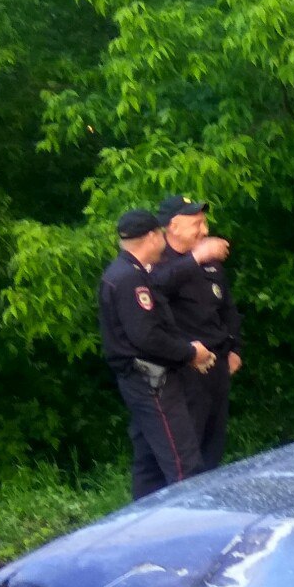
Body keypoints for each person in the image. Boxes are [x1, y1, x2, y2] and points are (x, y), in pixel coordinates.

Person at [99, 209, 213, 499]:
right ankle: (194, 532)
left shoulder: (123, 273)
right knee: (184, 464)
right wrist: (190, 353)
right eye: (160, 234)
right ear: (151, 236)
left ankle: (145, 527)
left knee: (149, 464)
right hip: (152, 383)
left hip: (141, 381)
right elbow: (147, 336)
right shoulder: (130, 280)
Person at [150, 195, 243, 468]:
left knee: (214, 441)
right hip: (186, 368)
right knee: (189, 443)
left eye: (204, 223)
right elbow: (156, 289)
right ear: (173, 226)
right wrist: (195, 258)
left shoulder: (211, 262)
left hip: (219, 364)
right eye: (197, 224)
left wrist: (236, 347)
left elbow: (227, 308)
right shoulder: (159, 260)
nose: (205, 231)